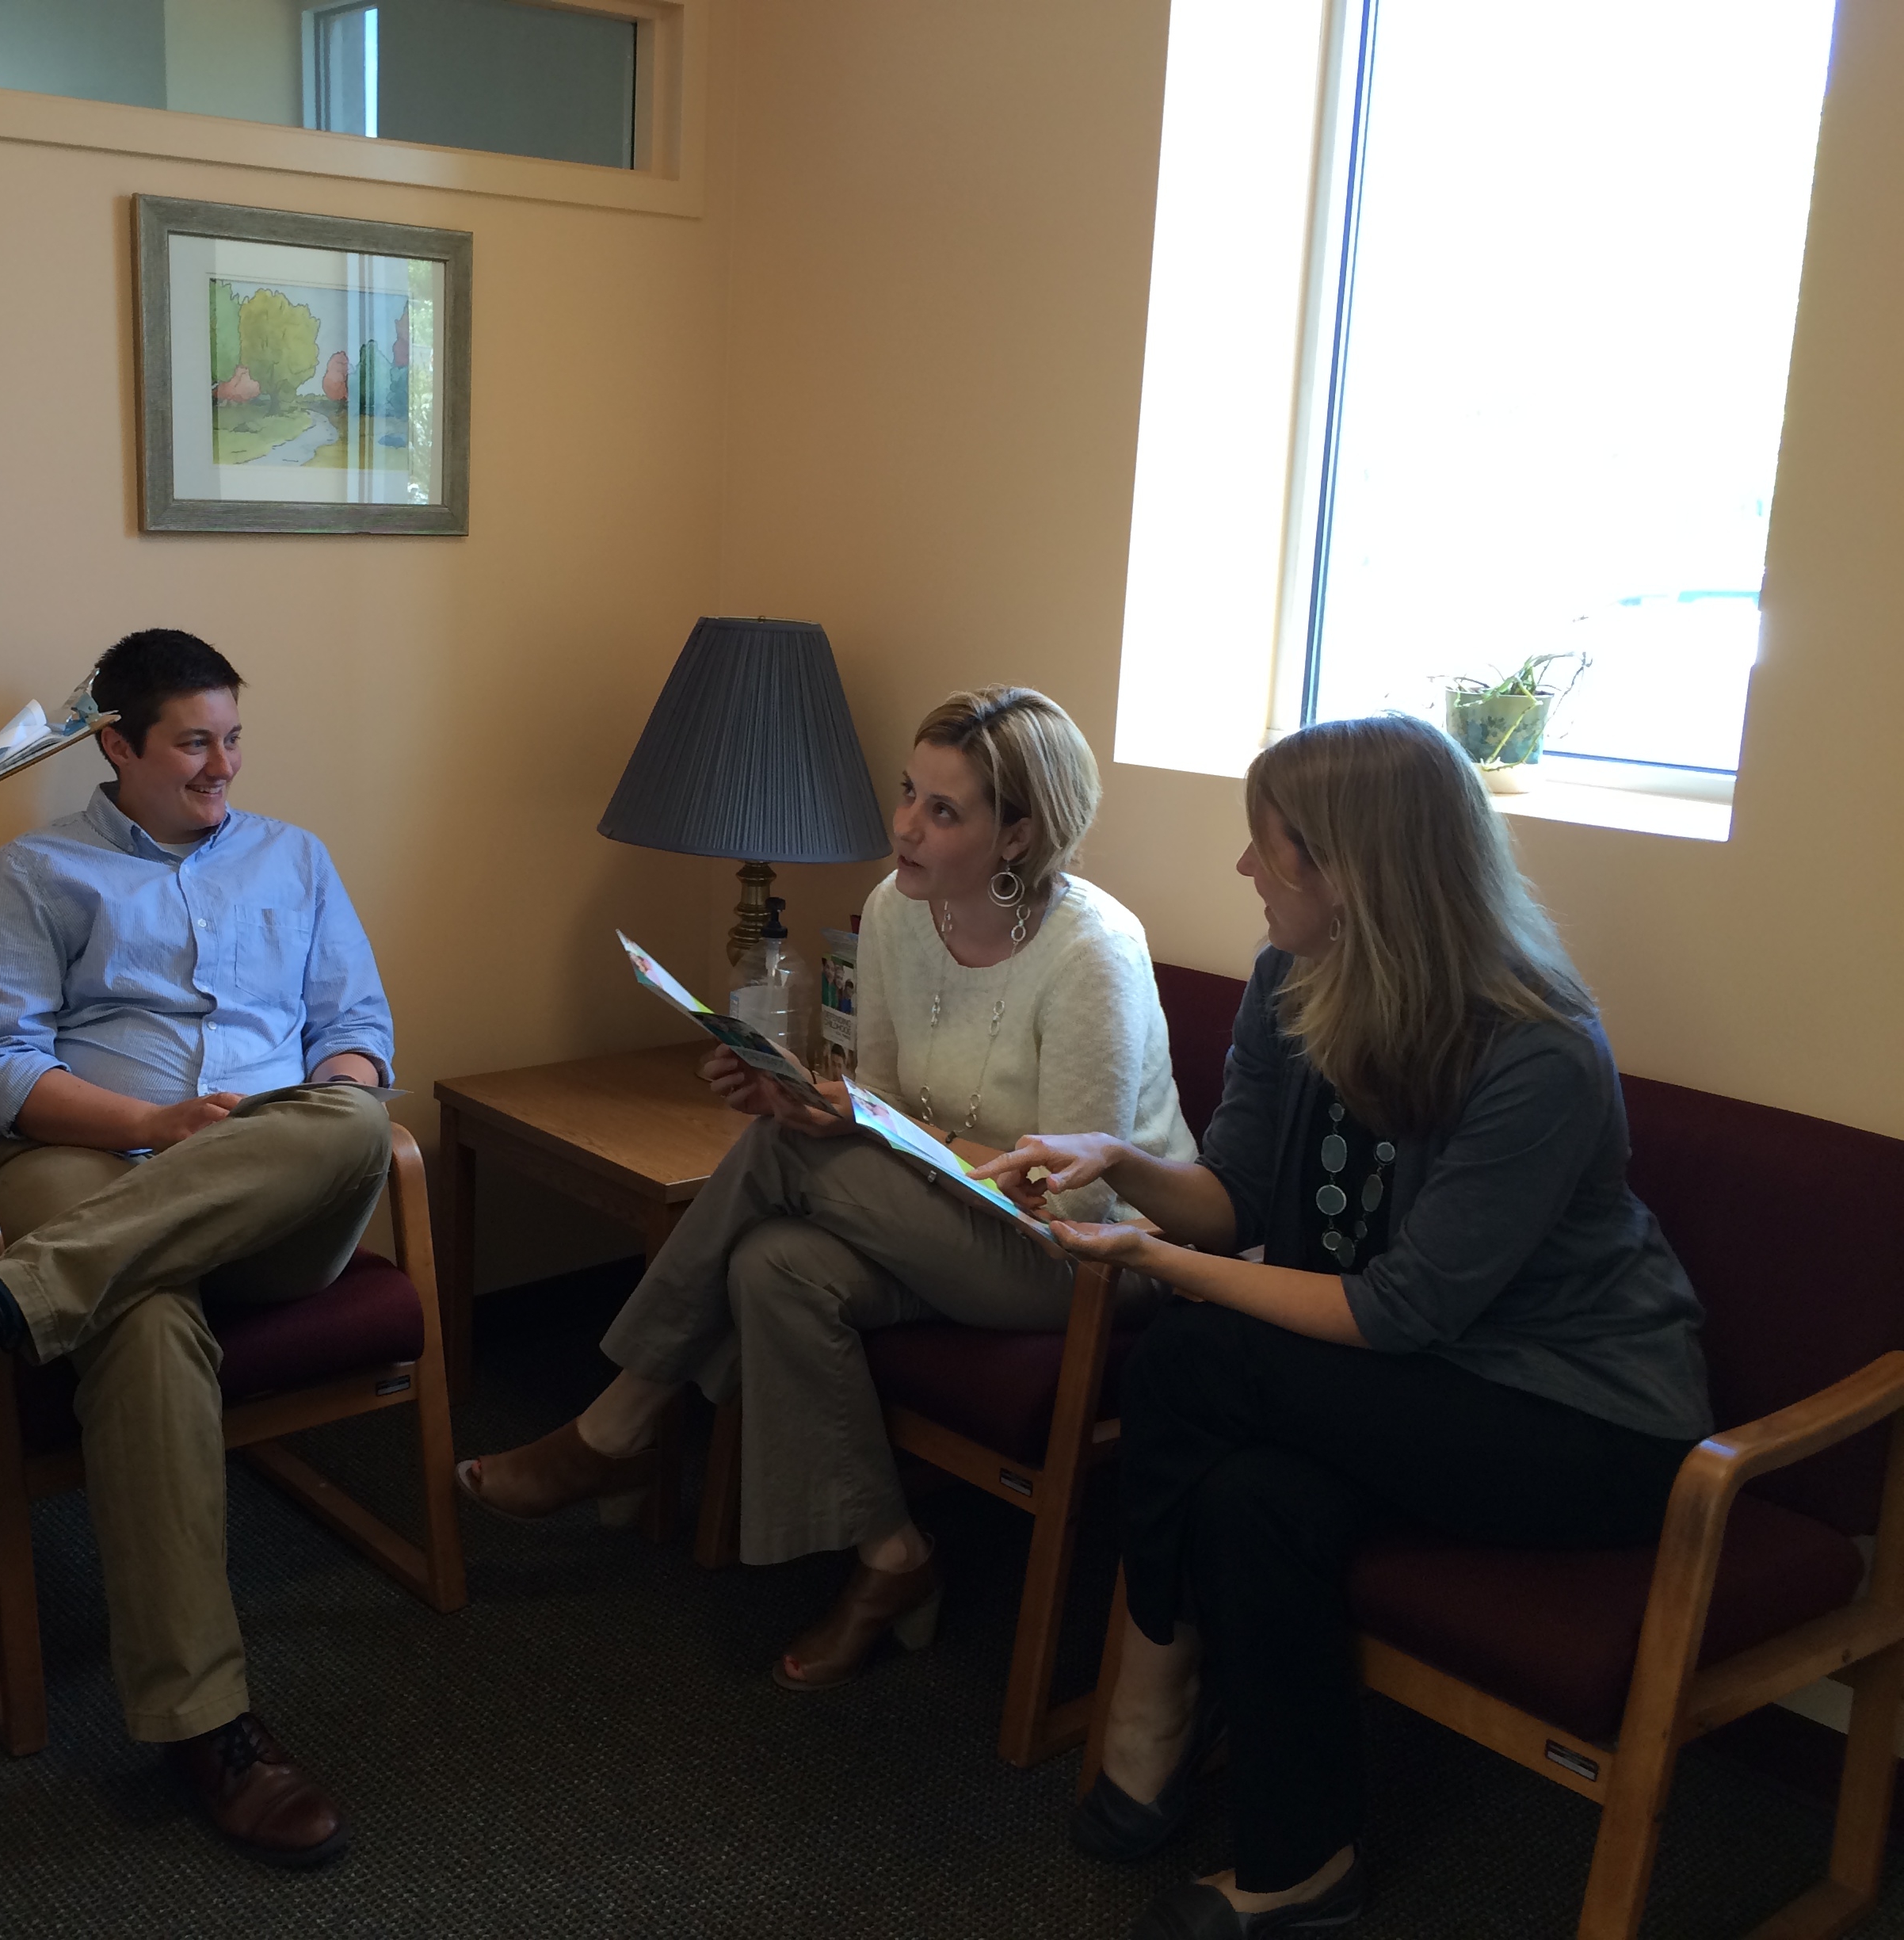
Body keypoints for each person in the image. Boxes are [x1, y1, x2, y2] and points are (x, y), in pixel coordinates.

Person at [970, 713, 1711, 1939]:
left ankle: (1150, 1693)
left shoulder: (1537, 1049)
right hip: (1416, 1388)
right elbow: (1243, 1199)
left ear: (1353, 873)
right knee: (1249, 1496)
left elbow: (1402, 1307)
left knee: (1195, 1354)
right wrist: (1121, 1164)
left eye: (1270, 850)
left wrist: (1163, 1266)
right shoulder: (1289, 984)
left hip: (1582, 1423)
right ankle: (1300, 1868)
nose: (1246, 872)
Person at [459, 686, 1193, 1690]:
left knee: (780, 1160)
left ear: (1018, 833)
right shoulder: (897, 909)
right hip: (952, 1219)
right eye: (908, 793)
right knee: (775, 1263)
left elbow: (1072, 1197)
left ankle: (620, 1424)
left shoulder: (1090, 954)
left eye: (946, 811)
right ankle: (893, 1557)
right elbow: (884, 1103)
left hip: (1084, 1258)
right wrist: (804, 1102)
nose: (905, 826)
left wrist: (858, 1126)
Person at [0, 628, 394, 1869]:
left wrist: (310, 1103)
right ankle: (210, 1727)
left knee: (355, 1122)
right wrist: (153, 1124)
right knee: (145, 1320)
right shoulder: (35, 871)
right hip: (80, 1166)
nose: (224, 768)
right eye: (194, 743)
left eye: (233, 738)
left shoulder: (295, 860)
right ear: (116, 746)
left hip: (268, 1185)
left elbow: (356, 1027)